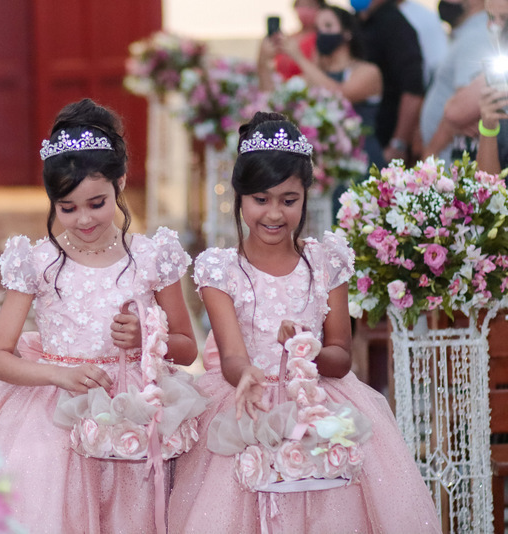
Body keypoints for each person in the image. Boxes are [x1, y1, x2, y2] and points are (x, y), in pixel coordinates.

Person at [167, 112, 441, 533]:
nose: (274, 213)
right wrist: (248, 374)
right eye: (261, 199)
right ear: (240, 197)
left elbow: (341, 357)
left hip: (319, 400)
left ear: (306, 197)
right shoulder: (221, 271)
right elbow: (232, 359)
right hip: (250, 405)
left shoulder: (326, 262)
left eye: (288, 200)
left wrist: (308, 350)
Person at [0, 98, 199, 532]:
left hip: (134, 408)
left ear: (121, 183)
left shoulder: (152, 257)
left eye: (97, 203)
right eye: (67, 207)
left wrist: (148, 338)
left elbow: (188, 349)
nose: (83, 220)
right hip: (55, 410)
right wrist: (59, 375)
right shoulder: (38, 262)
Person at [260, 4, 385, 171]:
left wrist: (299, 57)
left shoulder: (368, 71)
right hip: (327, 167)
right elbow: (275, 99)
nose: (321, 33)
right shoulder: (313, 75)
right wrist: (263, 60)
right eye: (318, 28)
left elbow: (340, 95)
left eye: (328, 26)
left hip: (362, 162)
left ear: (347, 33)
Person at [354, 0, 425, 163]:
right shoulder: (358, 21)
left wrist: (398, 144)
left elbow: (413, 88)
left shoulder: (395, 25)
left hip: (384, 139)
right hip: (360, 140)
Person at [420, 0, 490, 162]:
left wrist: (431, 151)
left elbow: (464, 110)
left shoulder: (475, 37)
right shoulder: (466, 34)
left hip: (451, 160)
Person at [269, 0, 326, 80]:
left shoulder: (322, 38)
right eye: (300, 5)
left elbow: (317, 74)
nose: (304, 10)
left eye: (310, 5)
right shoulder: (288, 37)